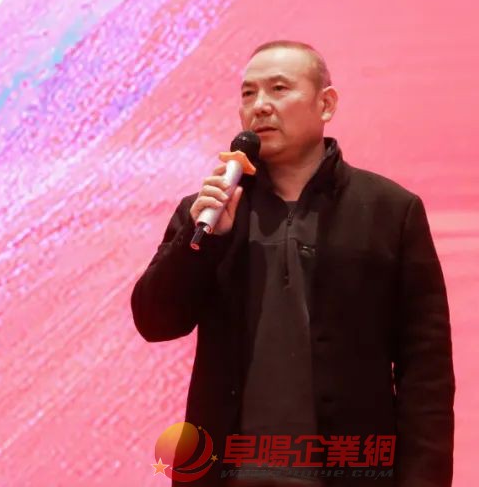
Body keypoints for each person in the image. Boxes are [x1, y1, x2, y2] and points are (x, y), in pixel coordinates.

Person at [131, 41, 454, 487]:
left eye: (279, 89)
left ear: (326, 104)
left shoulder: (389, 211)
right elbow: (155, 321)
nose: (260, 106)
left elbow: (426, 371)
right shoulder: (208, 210)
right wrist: (201, 240)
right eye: (248, 93)